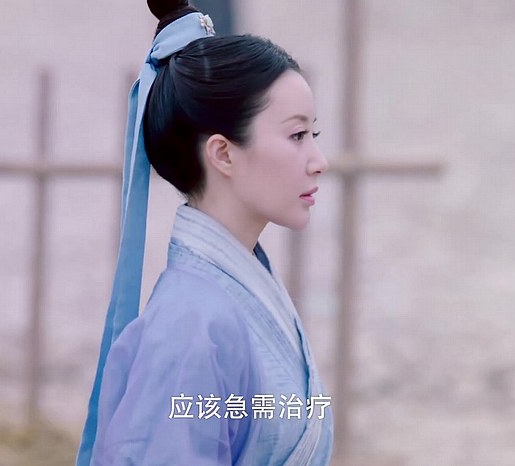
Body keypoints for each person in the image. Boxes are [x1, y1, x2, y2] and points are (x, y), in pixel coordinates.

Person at [77, 1, 332, 464]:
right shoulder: (190, 326)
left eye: (314, 135)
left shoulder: (227, 299)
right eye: (297, 136)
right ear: (223, 153)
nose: (319, 161)